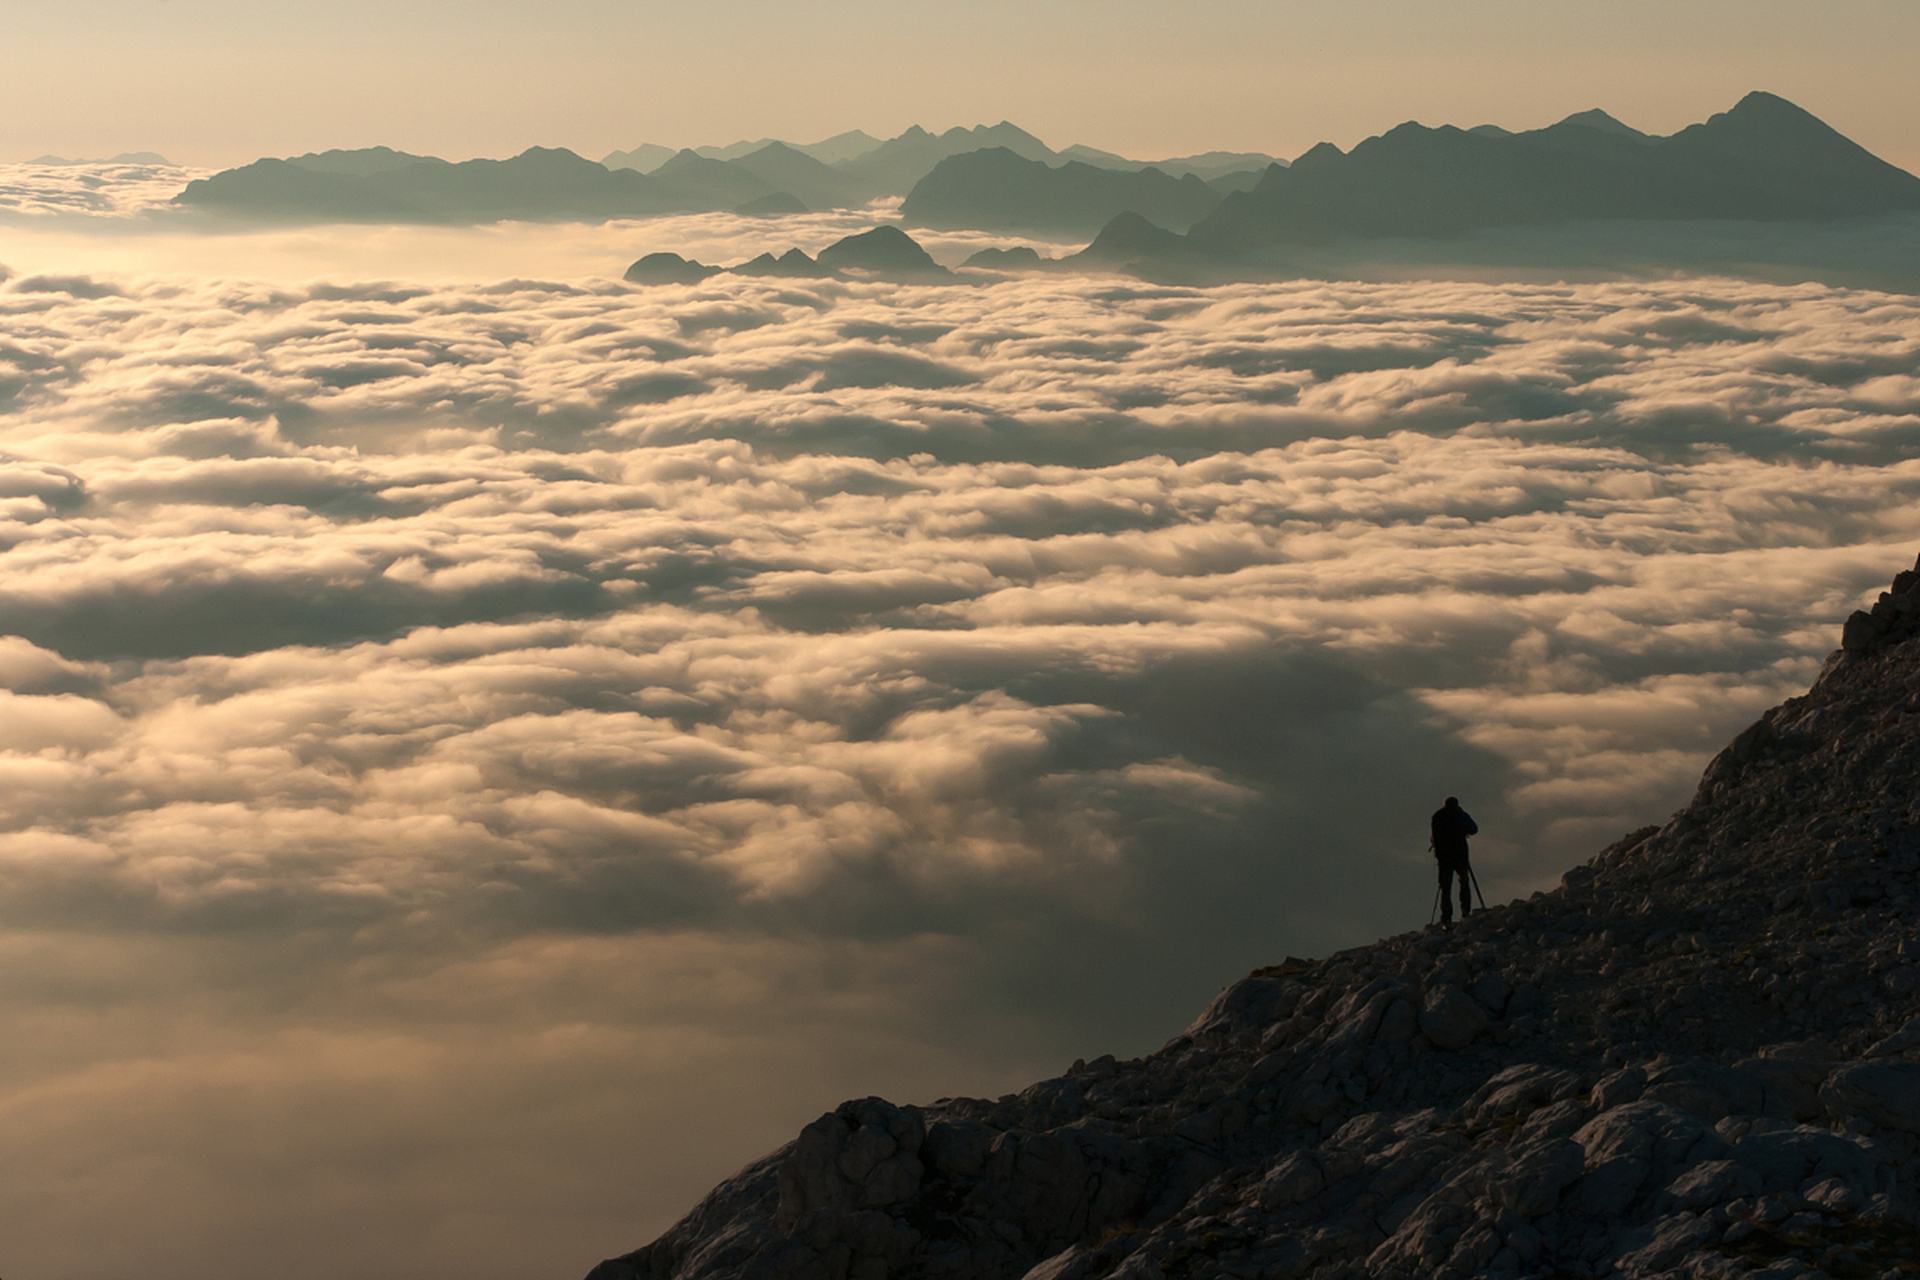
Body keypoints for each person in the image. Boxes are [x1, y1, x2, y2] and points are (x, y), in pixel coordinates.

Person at [1430, 796, 1478, 926]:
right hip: (1460, 854)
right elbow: (1474, 829)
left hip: (1444, 856)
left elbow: (1434, 836)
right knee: (1463, 881)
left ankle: (1446, 917)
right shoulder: (1460, 814)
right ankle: (1465, 911)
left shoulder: (1438, 816)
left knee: (1445, 887)